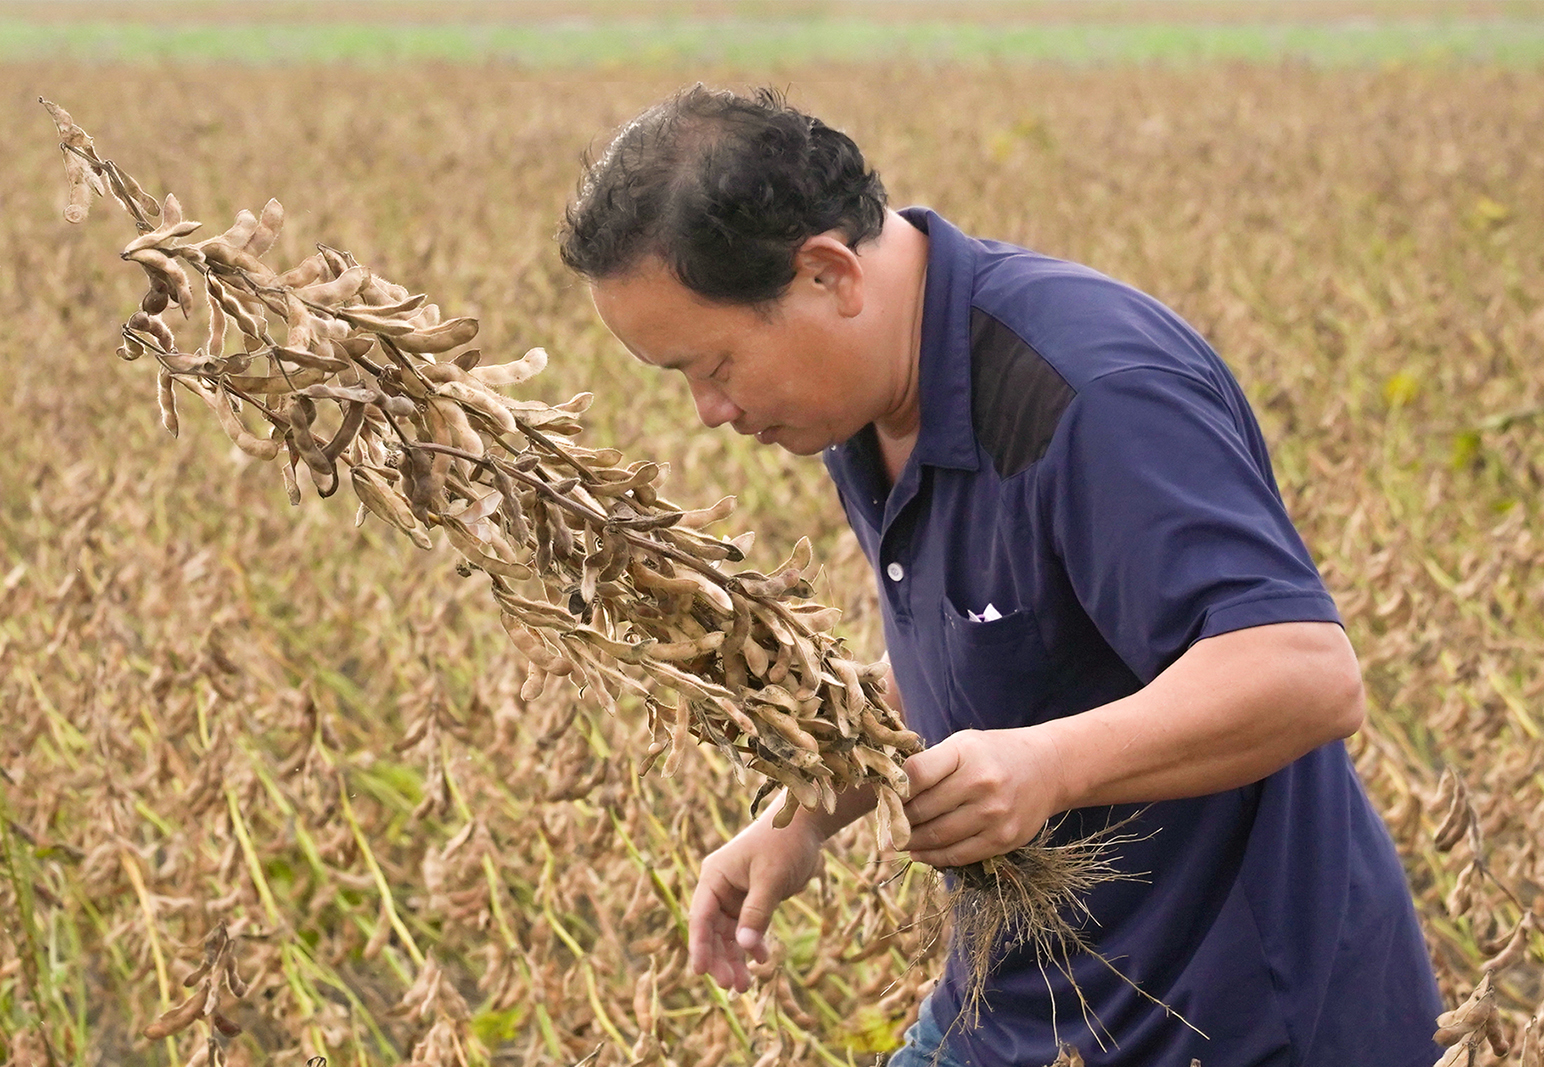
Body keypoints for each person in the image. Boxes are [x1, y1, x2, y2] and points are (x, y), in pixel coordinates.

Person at [557, 85, 1444, 1067]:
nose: (707, 411)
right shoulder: (863, 401)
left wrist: (1047, 765)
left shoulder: (1092, 393)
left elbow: (1304, 671)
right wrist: (806, 810)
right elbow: (982, 639)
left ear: (826, 273)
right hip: (1022, 999)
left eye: (713, 363)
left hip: (1225, 1013)